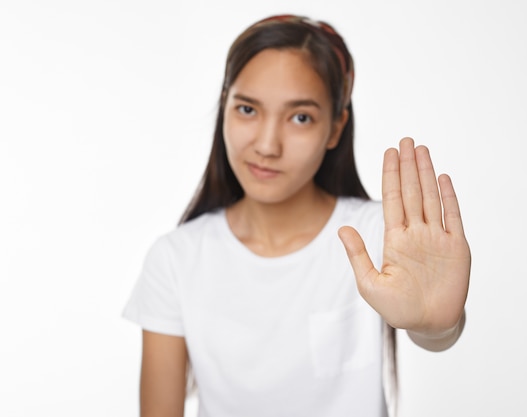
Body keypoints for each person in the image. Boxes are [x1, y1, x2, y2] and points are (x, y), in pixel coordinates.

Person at [123, 14, 471, 417]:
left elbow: (434, 326)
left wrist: (435, 326)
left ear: (336, 128)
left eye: (300, 117)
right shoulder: (176, 259)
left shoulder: (379, 235)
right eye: (247, 109)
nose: (267, 145)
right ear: (225, 108)